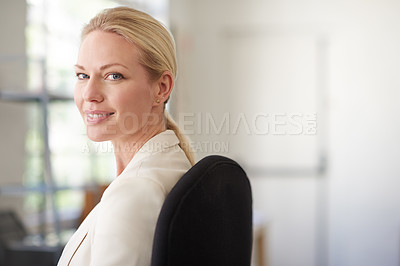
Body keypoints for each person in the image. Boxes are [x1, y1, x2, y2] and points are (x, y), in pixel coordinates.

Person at [57, 6, 195, 266]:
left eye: (113, 75)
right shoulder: (163, 167)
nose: (89, 94)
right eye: (82, 75)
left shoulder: (135, 194)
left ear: (161, 88)